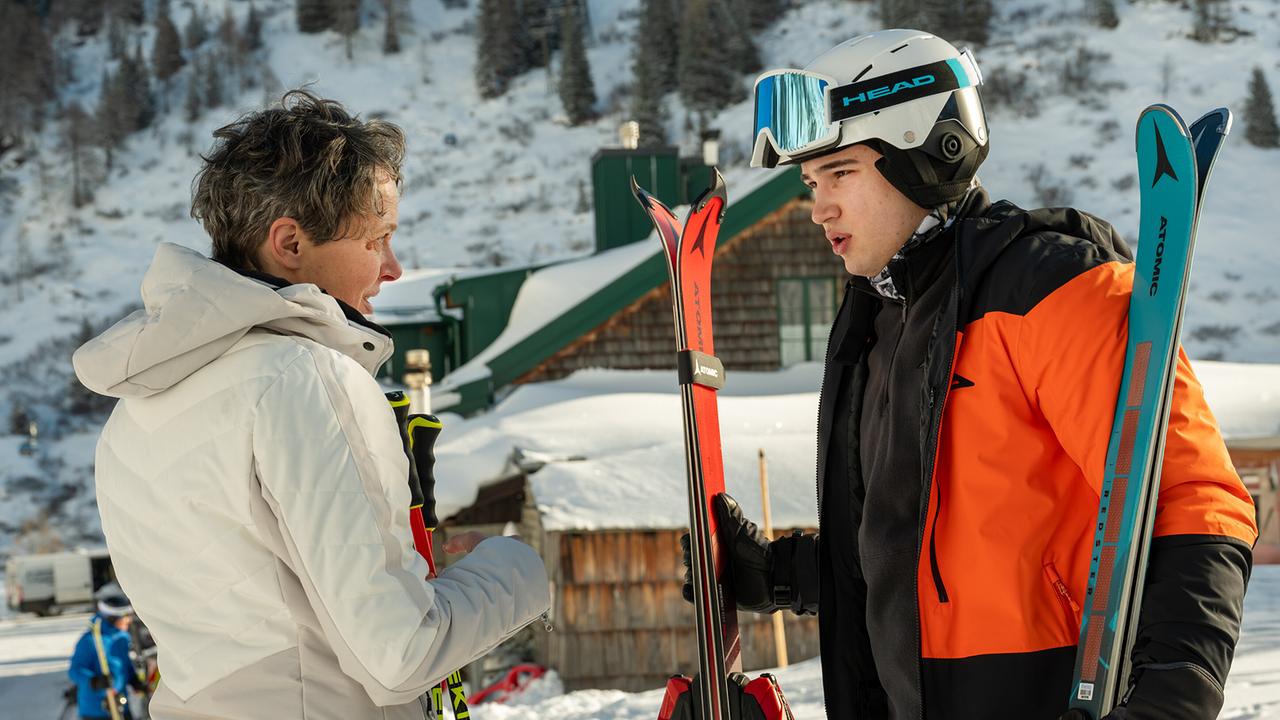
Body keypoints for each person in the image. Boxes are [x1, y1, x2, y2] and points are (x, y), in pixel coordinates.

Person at [688, 29, 1258, 719]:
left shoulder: (1052, 288)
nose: (818, 207)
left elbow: (1196, 501)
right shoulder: (877, 326)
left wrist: (1172, 701)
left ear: (923, 152)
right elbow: (931, 545)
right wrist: (787, 575)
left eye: (839, 173)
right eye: (811, 183)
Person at [72, 90, 551, 719]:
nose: (394, 267)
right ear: (291, 244)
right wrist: (518, 570)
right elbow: (400, 653)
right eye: (377, 240)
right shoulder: (306, 378)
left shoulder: (136, 407)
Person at [68, 584, 147, 720]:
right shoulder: (90, 641)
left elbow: (125, 666)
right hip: (96, 710)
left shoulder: (122, 638)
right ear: (113, 618)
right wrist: (94, 681)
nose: (128, 621)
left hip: (120, 705)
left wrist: (134, 681)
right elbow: (75, 671)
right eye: (125, 617)